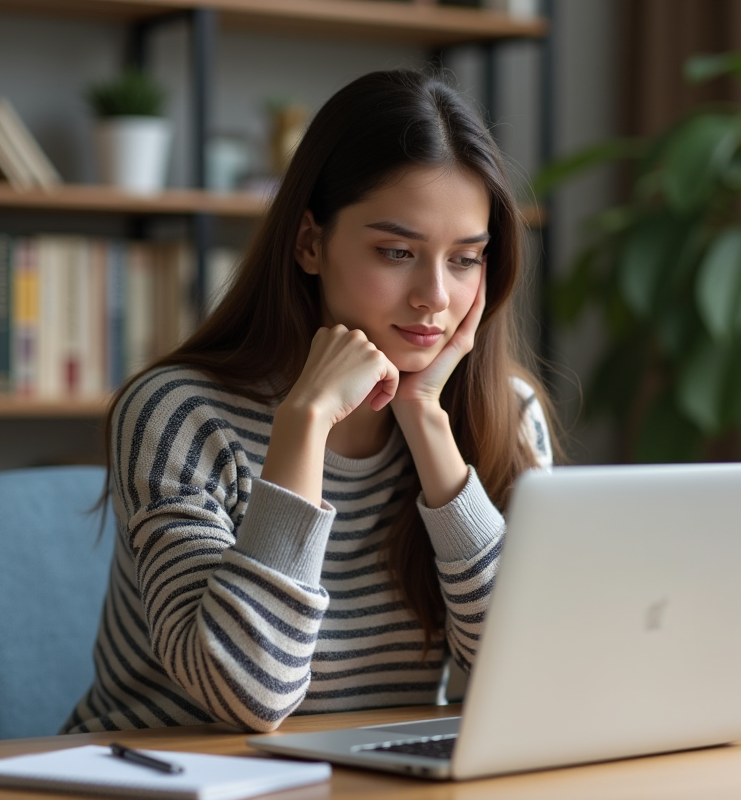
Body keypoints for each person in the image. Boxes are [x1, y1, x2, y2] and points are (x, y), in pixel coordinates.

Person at [62, 69, 557, 735]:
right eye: (396, 251)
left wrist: (429, 428)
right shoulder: (178, 412)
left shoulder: (504, 413)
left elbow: (530, 672)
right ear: (310, 243)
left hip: (359, 778)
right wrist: (305, 425)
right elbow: (249, 694)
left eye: (465, 259)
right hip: (166, 775)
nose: (435, 297)